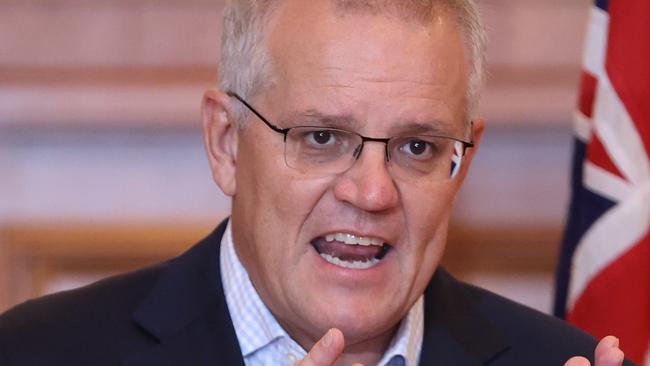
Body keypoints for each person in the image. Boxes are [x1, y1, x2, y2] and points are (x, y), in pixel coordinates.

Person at [0, 1, 632, 365]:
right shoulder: (39, 353)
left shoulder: (559, 363)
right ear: (226, 143)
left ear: (463, 159)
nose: (372, 193)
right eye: (322, 138)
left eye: (418, 147)